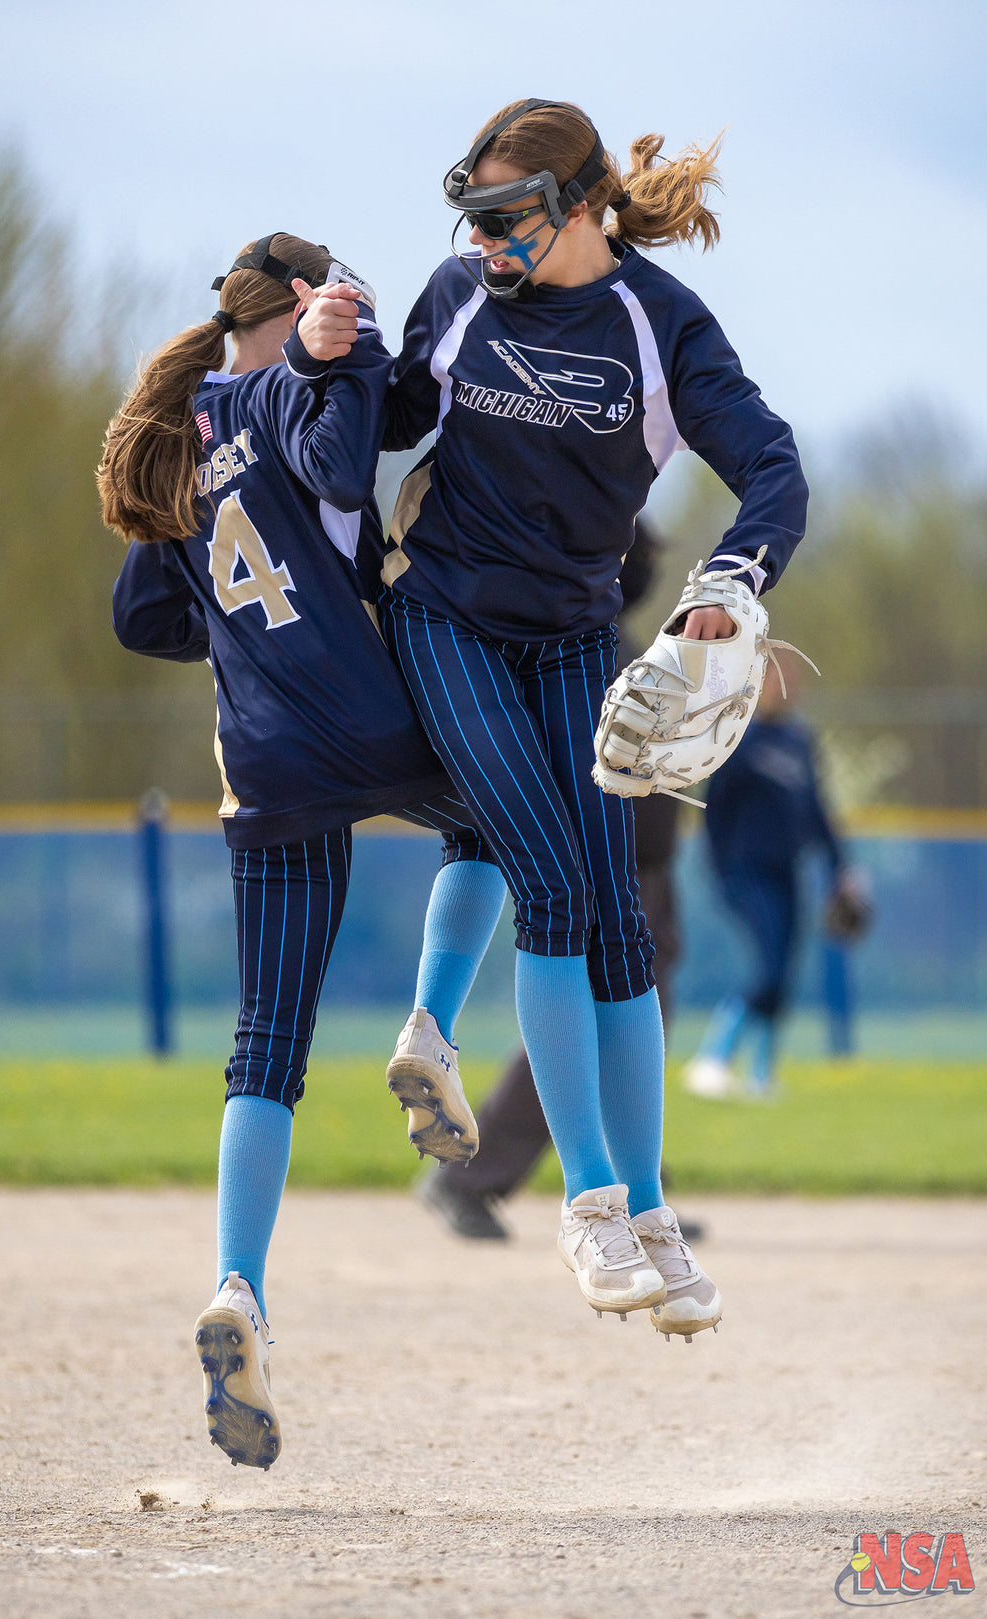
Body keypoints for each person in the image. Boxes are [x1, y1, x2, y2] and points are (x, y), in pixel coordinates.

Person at [371, 97, 809, 1339]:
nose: (486, 243)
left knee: (616, 915)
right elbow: (384, 422)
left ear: (579, 206)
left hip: (570, 639)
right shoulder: (457, 295)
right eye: (473, 218)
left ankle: (654, 1216)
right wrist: (312, 363)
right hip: (445, 619)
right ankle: (589, 1199)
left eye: (508, 219)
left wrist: (730, 582)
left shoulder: (656, 323)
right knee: (558, 887)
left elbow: (772, 467)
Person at [98, 234, 507, 1470]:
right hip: (368, 720)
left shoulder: (183, 433)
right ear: (298, 310)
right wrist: (343, 374)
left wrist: (242, 644)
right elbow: (340, 465)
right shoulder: (292, 390)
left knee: (264, 1045)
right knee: (496, 825)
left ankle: (240, 1285)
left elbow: (141, 616)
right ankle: (431, 1028)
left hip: (264, 760)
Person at [417, 527, 696, 1244]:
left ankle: (638, 1190)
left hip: (645, 873)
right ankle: (467, 1176)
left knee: (633, 1030)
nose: (645, 568)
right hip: (609, 874)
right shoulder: (578, 648)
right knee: (589, 1030)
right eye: (637, 555)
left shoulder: (617, 644)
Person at [684, 660, 853, 1099]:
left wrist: (841, 869)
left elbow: (815, 810)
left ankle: (761, 1075)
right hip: (745, 872)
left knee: (785, 974)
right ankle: (712, 1060)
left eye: (791, 680)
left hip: (786, 871)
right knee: (769, 967)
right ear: (756, 687)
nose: (786, 687)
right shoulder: (739, 739)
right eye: (777, 680)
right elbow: (714, 812)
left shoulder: (799, 741)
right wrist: (719, 870)